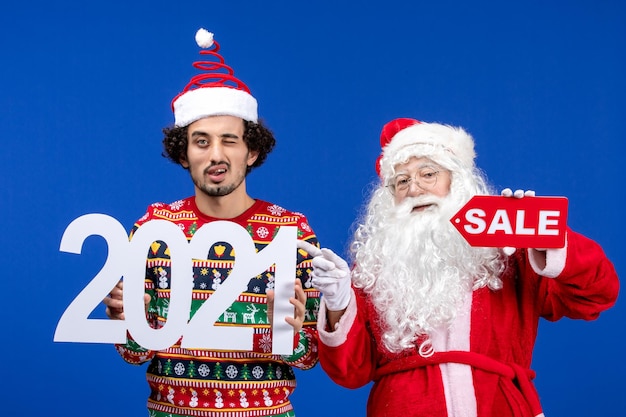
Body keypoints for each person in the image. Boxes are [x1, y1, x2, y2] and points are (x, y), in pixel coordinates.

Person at [305, 118, 619, 417]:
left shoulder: (510, 251)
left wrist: (541, 235)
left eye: (428, 174)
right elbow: (351, 372)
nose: (414, 189)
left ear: (457, 181)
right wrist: (338, 302)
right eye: (402, 181)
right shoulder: (375, 268)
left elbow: (598, 294)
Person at [103, 28, 320, 417]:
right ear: (183, 154)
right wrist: (127, 320)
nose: (215, 155)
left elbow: (310, 356)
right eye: (201, 141)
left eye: (229, 140)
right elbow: (134, 355)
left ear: (252, 150)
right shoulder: (155, 227)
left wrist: (291, 330)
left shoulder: (292, 231)